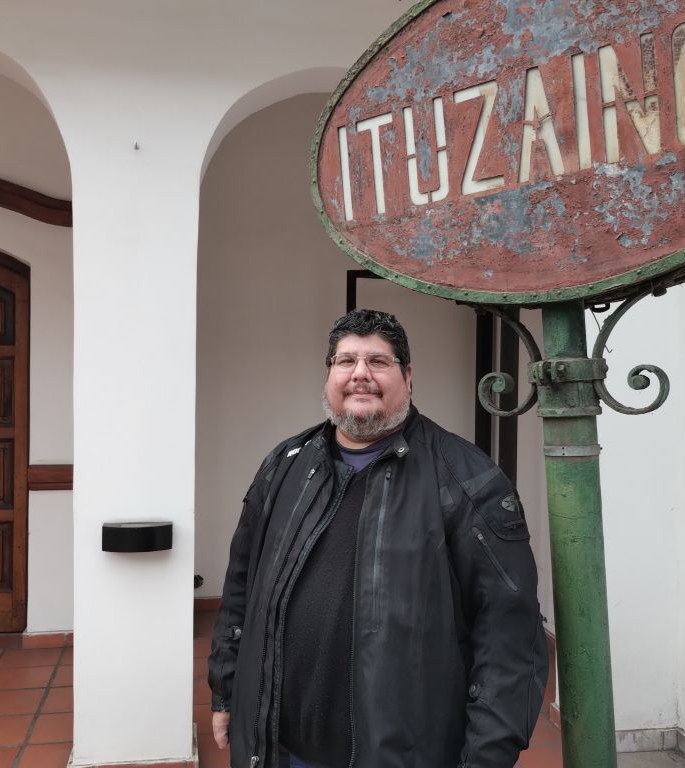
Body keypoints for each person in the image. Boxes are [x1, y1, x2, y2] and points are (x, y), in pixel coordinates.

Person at [208, 309, 548, 768]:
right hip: (278, 748)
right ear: (329, 375)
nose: (359, 375)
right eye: (345, 361)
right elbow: (241, 587)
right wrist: (226, 691)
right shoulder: (285, 464)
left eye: (378, 362)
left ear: (407, 376)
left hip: (401, 753)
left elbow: (508, 633)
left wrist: (487, 756)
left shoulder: (466, 479)